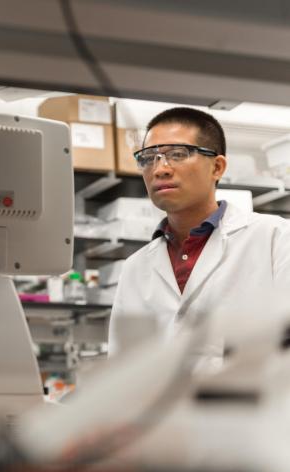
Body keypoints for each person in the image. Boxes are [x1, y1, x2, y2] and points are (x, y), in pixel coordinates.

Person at [108, 107, 290, 363]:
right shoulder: (135, 268)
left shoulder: (276, 239)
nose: (160, 169)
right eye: (148, 158)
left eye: (178, 154)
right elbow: (120, 367)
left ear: (217, 167)